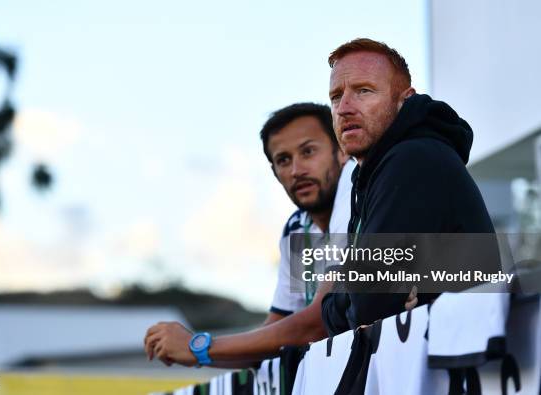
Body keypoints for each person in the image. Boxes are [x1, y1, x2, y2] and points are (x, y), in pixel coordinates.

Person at [144, 103, 355, 367]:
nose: (296, 170)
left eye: (308, 151)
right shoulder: (298, 227)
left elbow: (319, 323)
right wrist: (199, 353)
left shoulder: (356, 189)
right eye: (283, 160)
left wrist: (199, 346)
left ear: (343, 151)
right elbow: (274, 334)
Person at [321, 38, 496, 334]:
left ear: (403, 99)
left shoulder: (413, 159)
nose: (344, 108)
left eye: (364, 91)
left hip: (463, 366)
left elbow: (368, 304)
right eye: (336, 96)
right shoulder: (367, 174)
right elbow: (343, 311)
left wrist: (352, 287)